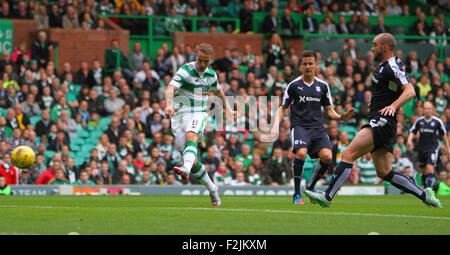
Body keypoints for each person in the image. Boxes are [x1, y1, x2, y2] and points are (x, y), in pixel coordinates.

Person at [305, 33, 442, 208]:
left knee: (348, 154)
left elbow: (410, 91)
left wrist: (392, 106)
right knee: (384, 172)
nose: (372, 48)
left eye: (375, 45)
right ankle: (425, 195)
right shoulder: (386, 66)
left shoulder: (392, 66)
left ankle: (327, 196)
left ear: (385, 47)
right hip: (383, 122)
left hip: (382, 121)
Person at [273, 50, 355, 205]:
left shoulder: (323, 86)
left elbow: (330, 111)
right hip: (300, 127)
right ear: (300, 66)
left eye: (311, 63)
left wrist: (341, 117)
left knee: (327, 157)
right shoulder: (294, 85)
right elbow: (283, 108)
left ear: (316, 65)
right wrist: (275, 125)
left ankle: (310, 187)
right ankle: (297, 194)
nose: (308, 66)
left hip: (317, 128)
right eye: (305, 64)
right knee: (302, 153)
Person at [164, 43, 236, 207]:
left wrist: (229, 109)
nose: (202, 65)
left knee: (192, 136)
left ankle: (185, 168)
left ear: (210, 60)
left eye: (206, 61)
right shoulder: (185, 70)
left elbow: (218, 92)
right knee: (194, 160)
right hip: (179, 115)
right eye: (200, 60)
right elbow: (171, 88)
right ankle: (212, 189)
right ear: (195, 56)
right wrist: (169, 104)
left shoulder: (211, 75)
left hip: (198, 112)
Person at [407, 101, 449, 189]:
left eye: (429, 109)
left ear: (433, 110)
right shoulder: (419, 121)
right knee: (422, 170)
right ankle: (425, 187)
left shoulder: (437, 121)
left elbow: (444, 135)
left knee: (430, 168)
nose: (427, 110)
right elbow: (412, 131)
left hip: (432, 148)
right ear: (422, 110)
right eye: (425, 108)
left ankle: (429, 189)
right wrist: (409, 140)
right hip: (421, 148)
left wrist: (448, 147)